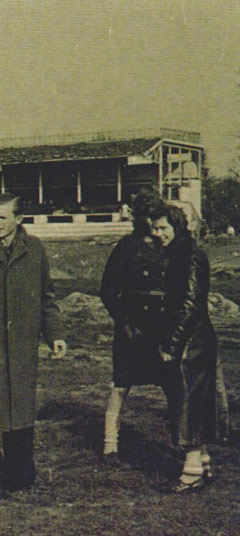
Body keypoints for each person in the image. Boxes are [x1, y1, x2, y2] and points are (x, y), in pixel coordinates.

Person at [0, 192, 66, 501]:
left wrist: (55, 335)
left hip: (21, 346)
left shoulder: (34, 249)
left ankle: (19, 479)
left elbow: (46, 297)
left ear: (19, 219)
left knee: (19, 411)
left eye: (2, 217)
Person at [148, 203, 228, 492]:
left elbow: (190, 304)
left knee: (187, 405)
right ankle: (202, 463)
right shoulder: (180, 254)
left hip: (190, 343)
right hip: (191, 339)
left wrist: (172, 342)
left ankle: (191, 472)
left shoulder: (189, 256)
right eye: (154, 228)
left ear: (177, 227)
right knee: (193, 401)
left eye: (163, 228)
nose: (157, 234)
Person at [99, 188, 167, 463]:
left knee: (174, 385)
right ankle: (110, 444)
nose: (152, 222)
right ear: (138, 217)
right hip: (133, 324)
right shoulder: (126, 247)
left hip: (163, 325)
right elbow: (107, 290)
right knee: (121, 384)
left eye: (155, 215)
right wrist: (124, 322)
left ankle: (184, 444)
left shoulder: (170, 244)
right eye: (146, 216)